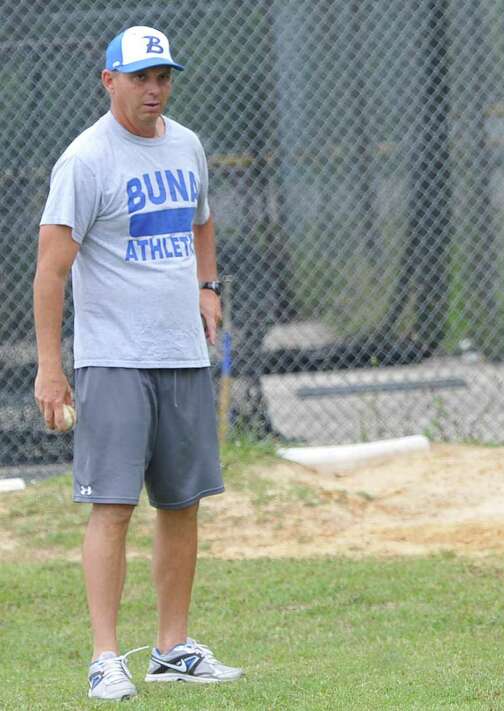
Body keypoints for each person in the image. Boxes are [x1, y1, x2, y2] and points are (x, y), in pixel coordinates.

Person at [32, 26, 243, 701]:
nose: (154, 89)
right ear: (109, 81)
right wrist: (49, 366)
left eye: (163, 76)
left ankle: (172, 648)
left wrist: (208, 288)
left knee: (182, 504)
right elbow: (50, 270)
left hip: (182, 353)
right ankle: (104, 658)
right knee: (113, 507)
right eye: (140, 77)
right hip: (114, 359)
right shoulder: (87, 159)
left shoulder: (187, 145)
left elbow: (202, 219)